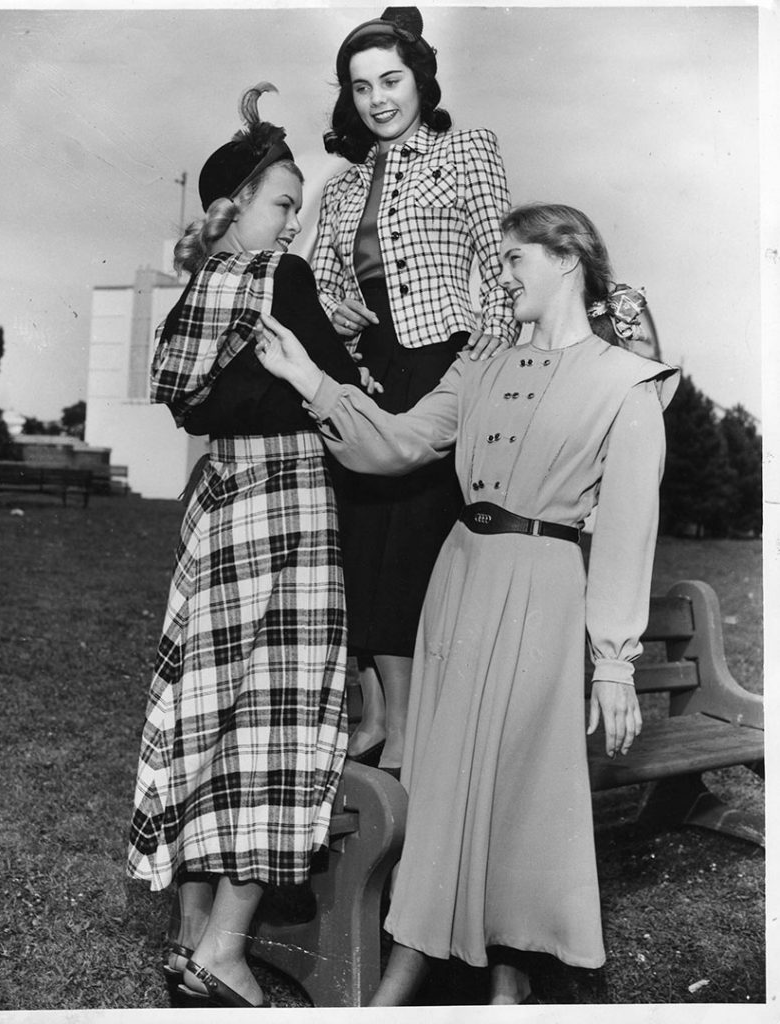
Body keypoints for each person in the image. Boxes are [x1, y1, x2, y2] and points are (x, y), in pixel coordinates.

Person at [255, 202, 680, 1005]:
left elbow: (628, 529)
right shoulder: (478, 366)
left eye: (514, 258)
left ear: (565, 259)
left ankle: (505, 977)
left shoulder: (625, 382)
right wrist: (309, 380)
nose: (500, 274)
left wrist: (614, 664)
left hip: (544, 587)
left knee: (518, 781)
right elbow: (396, 443)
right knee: (445, 777)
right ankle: (424, 952)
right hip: (458, 580)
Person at [126, 83, 366, 1010]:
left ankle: (188, 938)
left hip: (221, 507)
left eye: (298, 211)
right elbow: (341, 391)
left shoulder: (198, 295)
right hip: (292, 510)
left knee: (205, 715)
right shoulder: (284, 282)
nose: (292, 224)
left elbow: (196, 401)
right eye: (281, 205)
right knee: (277, 723)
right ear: (232, 209)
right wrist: (338, 356)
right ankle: (227, 948)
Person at [311, 6, 519, 774]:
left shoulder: (466, 150)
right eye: (359, 86)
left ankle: (408, 738)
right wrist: (343, 344)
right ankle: (381, 725)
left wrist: (478, 372)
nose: (376, 98)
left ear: (420, 80)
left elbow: (502, 272)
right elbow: (328, 296)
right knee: (361, 549)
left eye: (389, 79)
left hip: (444, 366)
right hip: (370, 381)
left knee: (408, 555)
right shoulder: (339, 188)